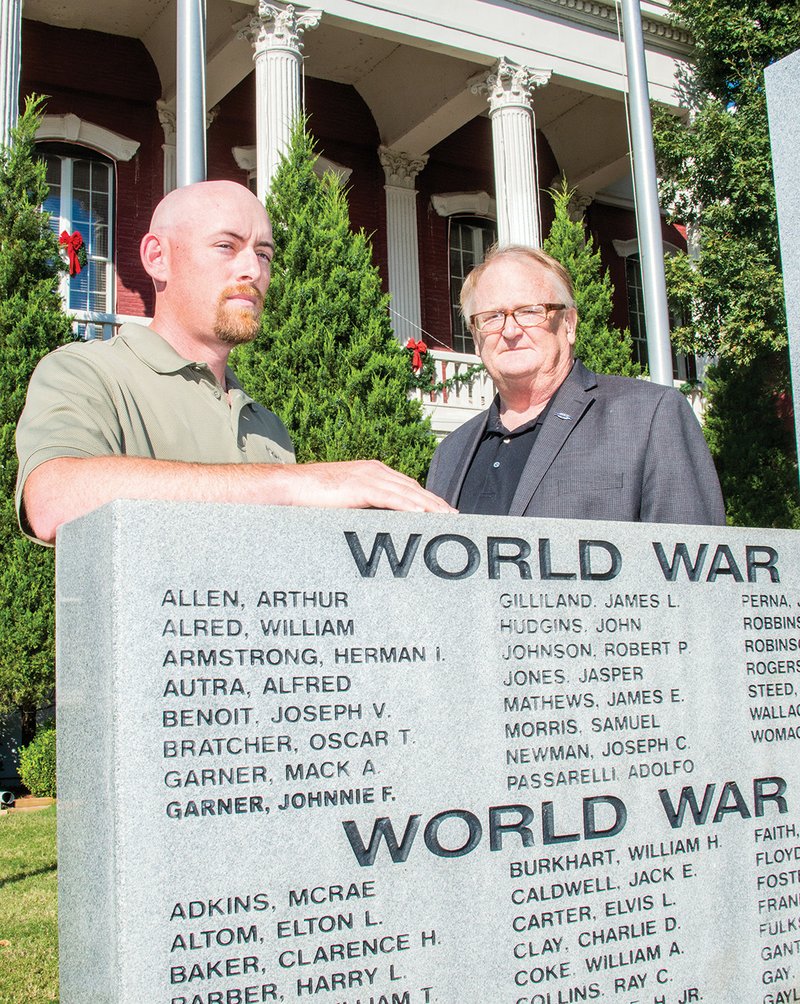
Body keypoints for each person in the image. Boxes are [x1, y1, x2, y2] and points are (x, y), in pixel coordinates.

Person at [16, 180, 453, 545]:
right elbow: (54, 501)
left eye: (263, 253)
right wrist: (297, 484)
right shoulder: (86, 373)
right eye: (226, 245)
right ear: (157, 257)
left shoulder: (267, 426)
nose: (253, 269)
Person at [426, 245, 725, 525]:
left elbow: (692, 568)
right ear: (476, 338)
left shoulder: (648, 417)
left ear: (568, 324)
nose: (511, 330)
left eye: (530, 311)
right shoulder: (450, 453)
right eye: (492, 317)